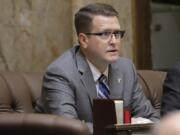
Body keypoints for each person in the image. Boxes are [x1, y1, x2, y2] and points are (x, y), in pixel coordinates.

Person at [35, 3, 159, 133]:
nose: (114, 41)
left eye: (117, 33)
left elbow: (152, 119)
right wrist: (124, 127)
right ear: (83, 40)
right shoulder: (61, 73)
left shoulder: (125, 68)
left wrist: (130, 127)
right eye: (105, 34)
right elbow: (69, 128)